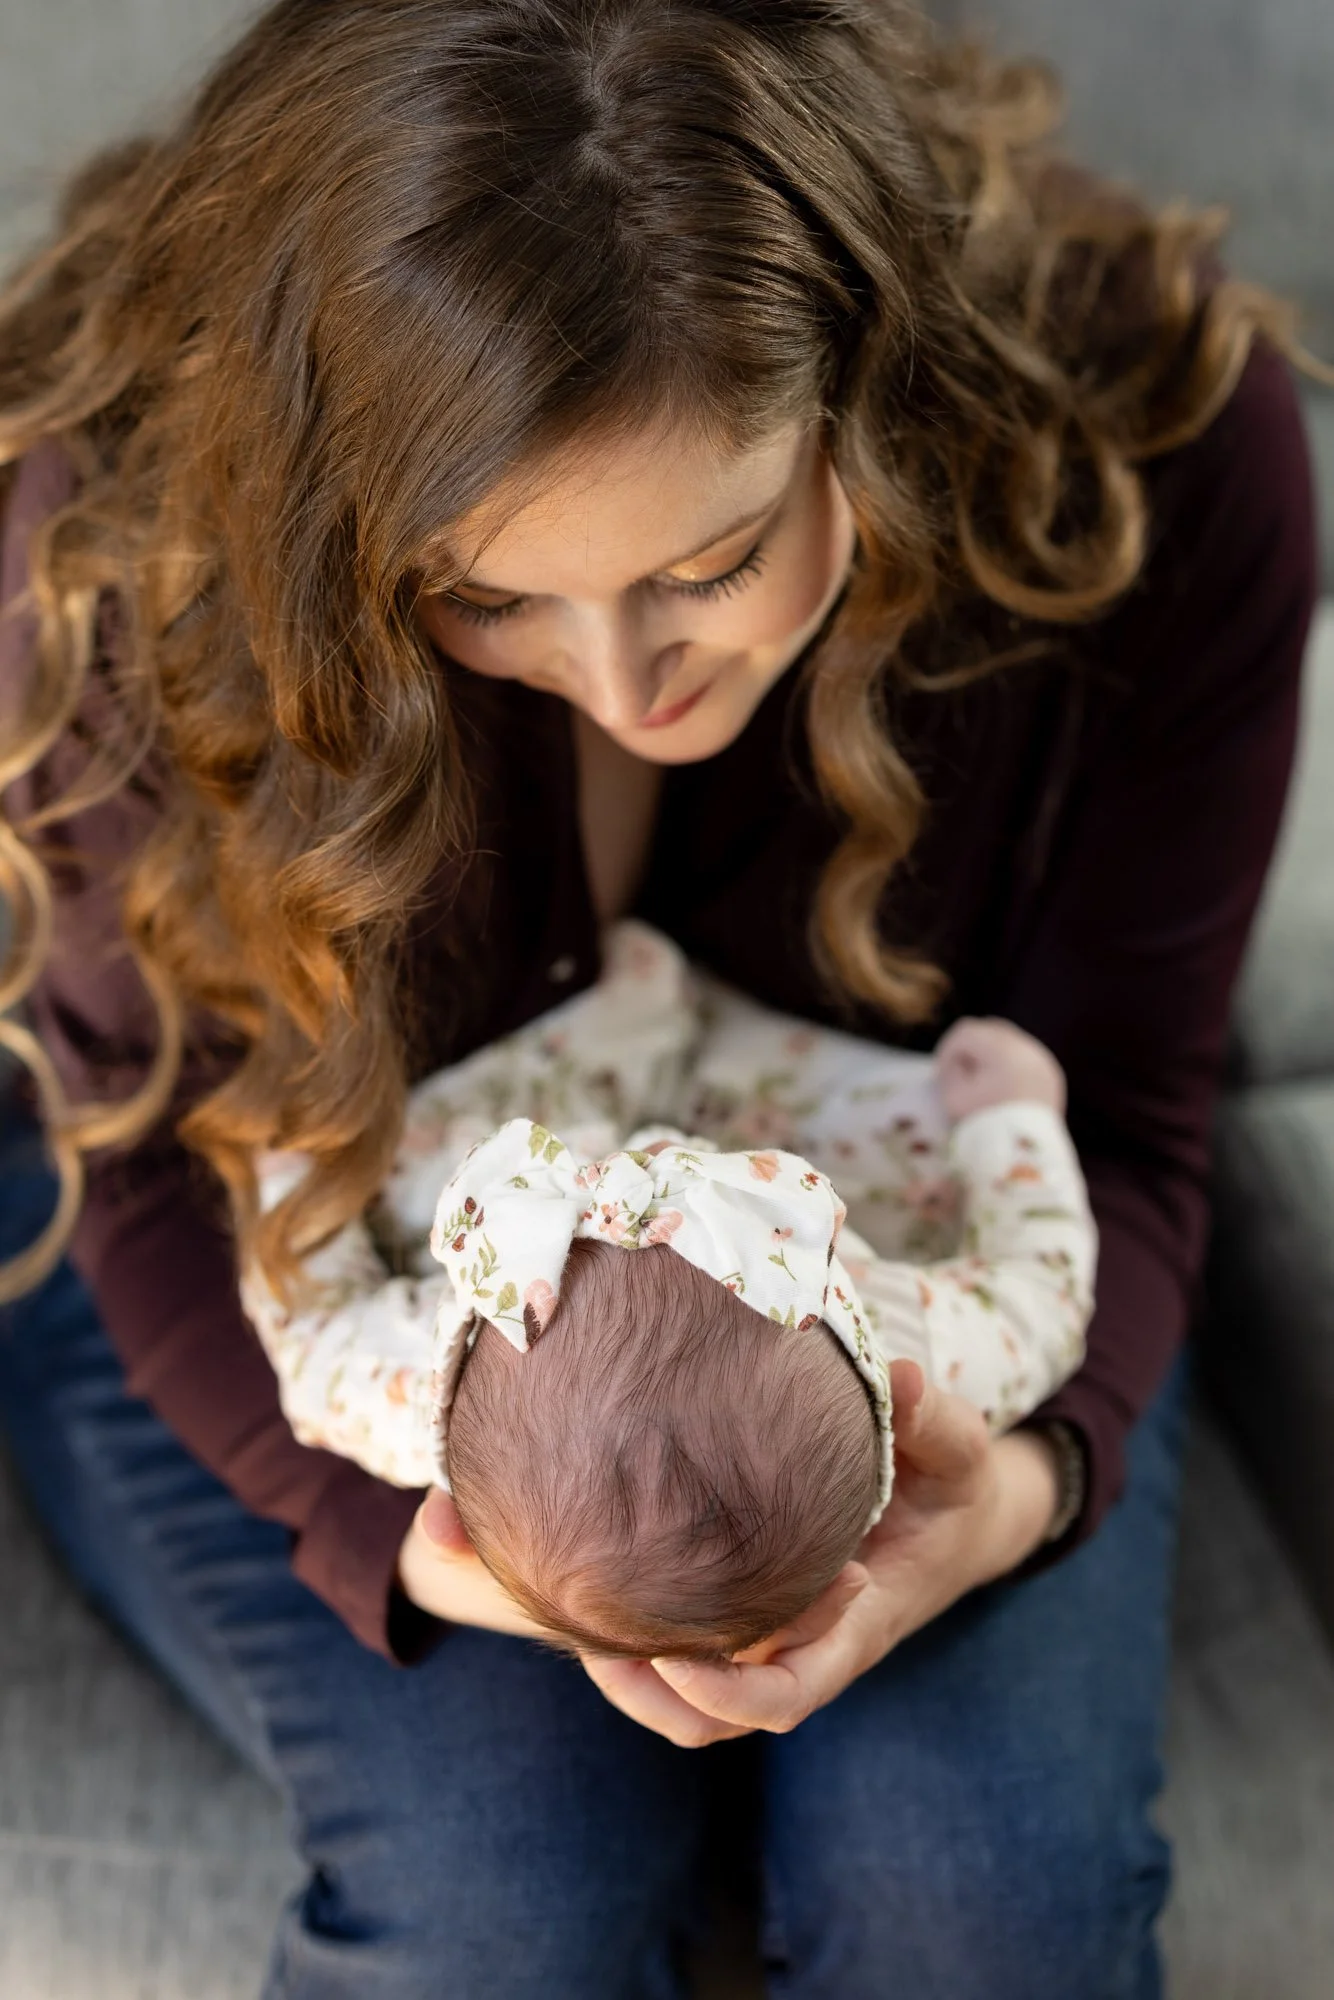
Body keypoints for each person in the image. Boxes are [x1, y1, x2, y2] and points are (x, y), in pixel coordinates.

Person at [0, 1, 1318, 1993]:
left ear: (870, 402)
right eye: (485, 593)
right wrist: (404, 1536)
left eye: (711, 561)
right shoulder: (121, 533)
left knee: (983, 1903)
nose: (624, 690)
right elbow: (151, 1153)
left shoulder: (1160, 445)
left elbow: (1117, 1105)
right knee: (498, 1892)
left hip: (921, 1263)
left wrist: (1026, 1486)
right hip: (240, 1230)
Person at [237, 918, 1095, 1658]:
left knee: (398, 1169)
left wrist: (291, 1184)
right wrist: (1007, 1121)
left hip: (523, 1103)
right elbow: (1041, 1295)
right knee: (905, 1138)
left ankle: (634, 1009)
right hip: (780, 1136)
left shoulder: (412, 1375)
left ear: (455, 1520)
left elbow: (315, 1342)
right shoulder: (911, 1343)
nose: (641, 1194)